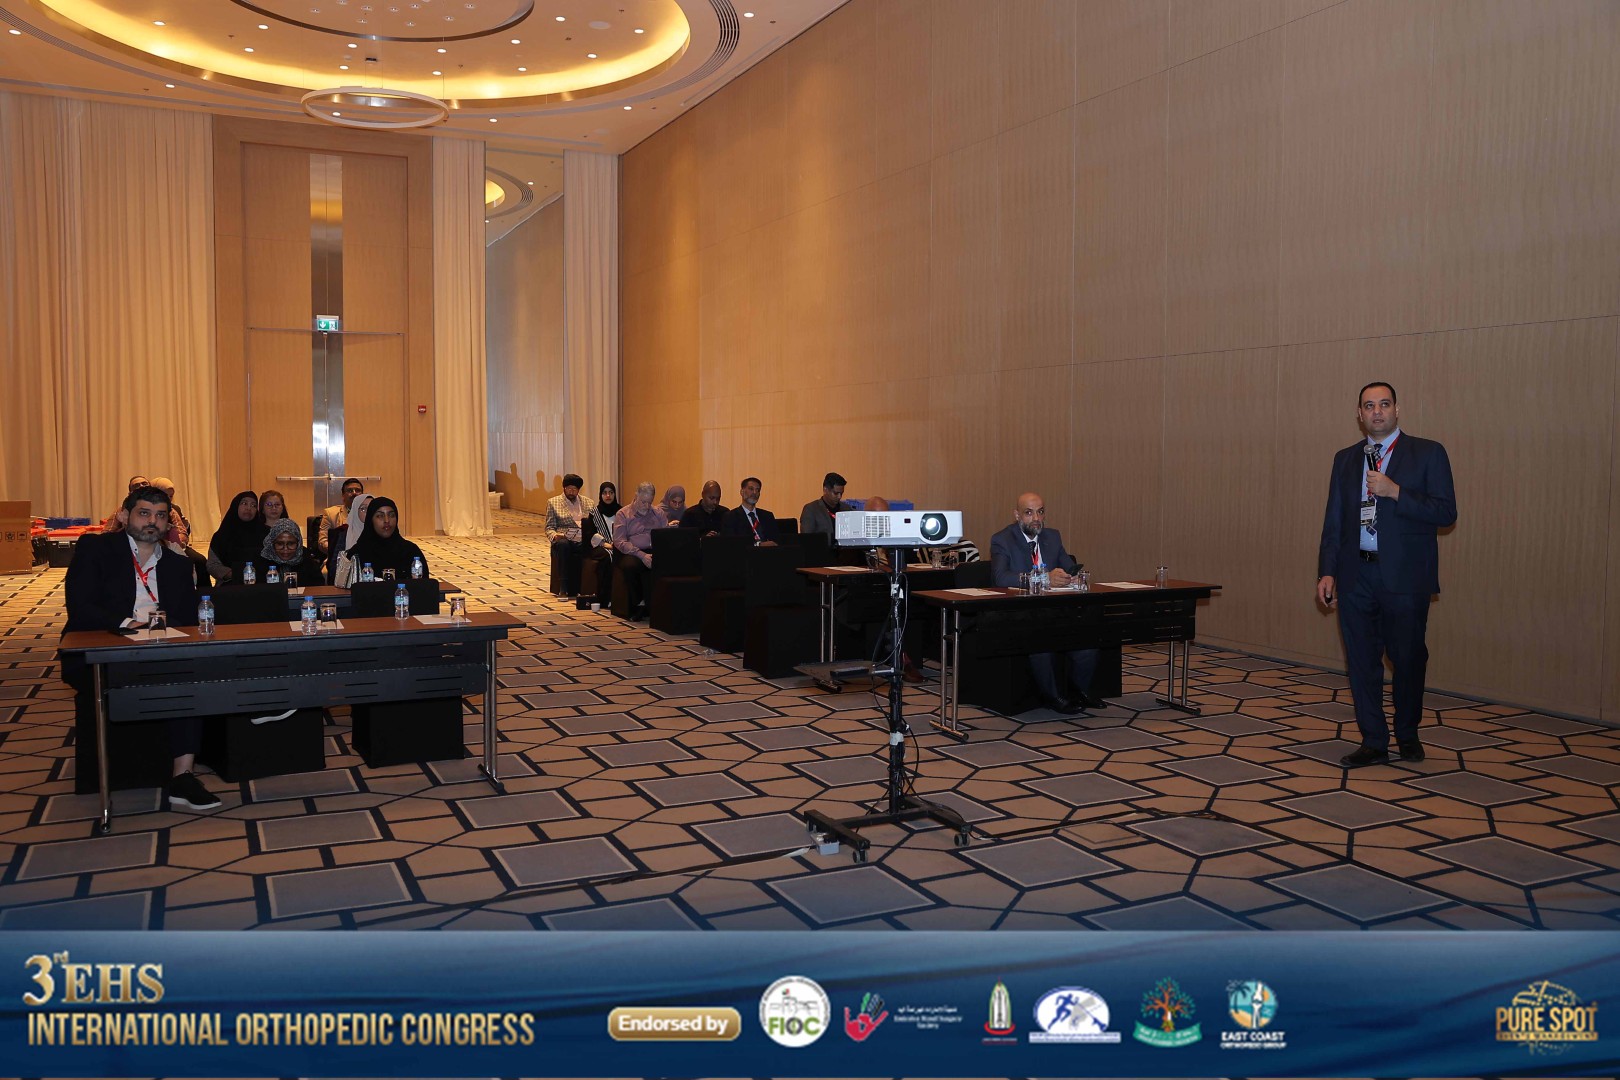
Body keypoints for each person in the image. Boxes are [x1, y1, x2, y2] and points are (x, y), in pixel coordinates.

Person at [1317, 381, 1457, 768]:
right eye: (1369, 406)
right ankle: (1373, 741)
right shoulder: (1345, 459)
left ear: (1397, 410)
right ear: (1359, 415)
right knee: (1362, 661)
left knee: (1408, 659)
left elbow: (1446, 512)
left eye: (1384, 404)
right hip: (1355, 574)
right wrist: (1327, 571)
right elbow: (1334, 521)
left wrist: (1396, 492)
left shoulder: (1428, 453)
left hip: (1405, 578)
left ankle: (1408, 735)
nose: (1376, 411)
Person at [61, 485, 220, 810]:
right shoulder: (96, 550)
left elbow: (186, 619)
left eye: (160, 516)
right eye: (144, 513)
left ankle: (183, 776)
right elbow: (81, 606)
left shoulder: (177, 565)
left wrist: (163, 632)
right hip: (103, 646)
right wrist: (129, 624)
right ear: (124, 516)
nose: (152, 522)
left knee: (195, 674)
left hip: (160, 648)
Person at [989, 492, 1103, 714]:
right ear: (1017, 515)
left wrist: (1074, 577)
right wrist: (1043, 578)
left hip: (1055, 608)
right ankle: (1053, 697)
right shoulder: (1002, 539)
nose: (1036, 519)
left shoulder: (1053, 536)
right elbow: (1000, 578)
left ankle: (1080, 691)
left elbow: (1069, 568)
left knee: (1088, 638)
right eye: (1029, 513)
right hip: (1020, 611)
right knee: (1041, 640)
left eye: (1040, 512)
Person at [612, 482, 668, 619]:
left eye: (650, 502)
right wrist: (642, 555)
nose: (647, 506)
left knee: (667, 564)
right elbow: (619, 541)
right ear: (636, 496)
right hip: (631, 552)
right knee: (632, 566)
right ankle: (638, 604)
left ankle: (659, 606)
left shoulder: (658, 513)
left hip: (654, 550)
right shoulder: (623, 514)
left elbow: (666, 536)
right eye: (643, 502)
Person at [346, 496, 429, 582]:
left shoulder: (410, 551)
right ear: (371, 520)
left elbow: (424, 585)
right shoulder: (357, 554)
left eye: (391, 515)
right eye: (380, 516)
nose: (387, 520)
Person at [149, 476, 210, 589]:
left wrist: (177, 539)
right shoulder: (139, 508)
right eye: (164, 495)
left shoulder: (173, 509)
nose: (168, 499)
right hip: (149, 546)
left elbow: (182, 531)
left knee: (199, 560)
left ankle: (204, 594)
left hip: (174, 544)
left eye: (170, 496)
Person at [545, 473, 593, 596]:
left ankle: (587, 587)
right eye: (569, 488)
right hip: (564, 538)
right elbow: (549, 527)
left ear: (579, 490)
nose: (571, 492)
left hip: (582, 538)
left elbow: (593, 524)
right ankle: (563, 587)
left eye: (574, 489)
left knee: (592, 546)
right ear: (564, 488)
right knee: (563, 545)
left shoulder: (588, 503)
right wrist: (555, 535)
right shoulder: (553, 502)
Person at [205, 491, 266, 585]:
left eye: (253, 505)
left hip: (260, 584)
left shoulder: (265, 533)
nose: (249, 508)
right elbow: (212, 565)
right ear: (236, 506)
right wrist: (235, 575)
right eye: (244, 503)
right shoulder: (222, 535)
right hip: (230, 584)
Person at [583, 482, 622, 609]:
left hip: (619, 544)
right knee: (607, 558)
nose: (608, 496)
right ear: (600, 495)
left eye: (611, 492)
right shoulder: (594, 512)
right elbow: (590, 534)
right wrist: (606, 544)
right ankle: (606, 598)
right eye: (605, 493)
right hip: (599, 547)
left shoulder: (621, 511)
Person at [258, 518, 324, 584]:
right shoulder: (263, 560)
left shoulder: (305, 557)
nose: (285, 549)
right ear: (272, 544)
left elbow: (318, 584)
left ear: (298, 544)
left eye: (291, 544)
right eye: (280, 544)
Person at [721, 476, 779, 545]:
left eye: (757, 490)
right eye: (751, 489)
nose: (754, 492)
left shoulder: (768, 516)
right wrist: (758, 545)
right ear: (742, 492)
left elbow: (776, 540)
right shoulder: (730, 517)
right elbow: (731, 543)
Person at [317, 478, 364, 556]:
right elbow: (322, 541)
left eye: (358, 490)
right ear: (343, 496)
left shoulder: (370, 513)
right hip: (338, 557)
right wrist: (339, 551)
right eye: (350, 491)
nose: (354, 493)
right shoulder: (330, 514)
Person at [800, 471, 848, 536]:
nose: (839, 497)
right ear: (825, 490)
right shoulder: (811, 510)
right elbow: (806, 538)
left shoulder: (847, 509)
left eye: (841, 493)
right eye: (836, 493)